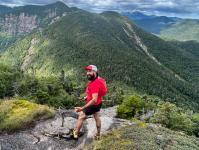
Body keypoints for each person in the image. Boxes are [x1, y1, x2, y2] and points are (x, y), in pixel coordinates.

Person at [73, 65, 104, 140]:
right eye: (87, 71)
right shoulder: (99, 80)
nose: (88, 73)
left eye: (90, 71)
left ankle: (76, 133)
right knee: (97, 118)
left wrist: (82, 108)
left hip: (92, 105)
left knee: (80, 117)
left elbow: (94, 100)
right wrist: (87, 97)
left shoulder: (94, 84)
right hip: (98, 103)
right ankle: (98, 134)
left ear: (95, 72)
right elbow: (95, 94)